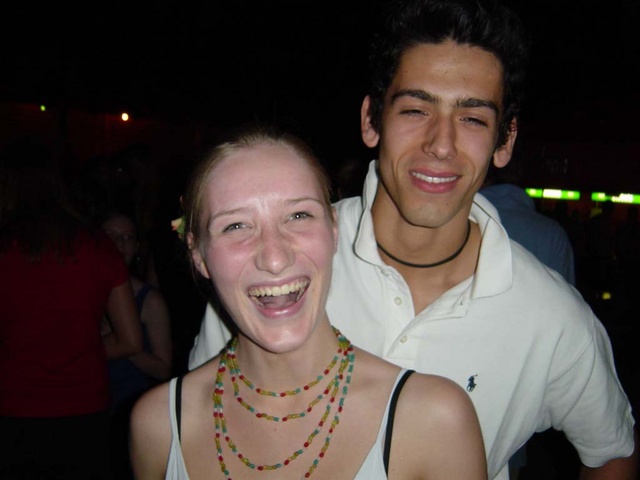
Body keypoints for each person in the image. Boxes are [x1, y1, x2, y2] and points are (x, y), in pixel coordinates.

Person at [189, 1, 638, 479]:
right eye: (416, 109)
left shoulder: (551, 316)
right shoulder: (275, 271)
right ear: (371, 120)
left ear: (505, 141)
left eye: (473, 119)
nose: (440, 144)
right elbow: (199, 424)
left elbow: (612, 450)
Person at [129, 126, 487, 479]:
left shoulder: (434, 422)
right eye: (236, 226)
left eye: (299, 216)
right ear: (198, 255)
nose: (274, 258)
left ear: (334, 229)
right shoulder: (158, 426)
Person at [0, 136, 142, 479]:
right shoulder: (97, 247)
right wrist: (74, 349)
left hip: (11, 407)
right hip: (85, 408)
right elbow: (130, 341)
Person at [101, 212, 173, 479]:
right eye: (110, 236)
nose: (119, 244)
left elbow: (163, 370)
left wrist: (125, 340)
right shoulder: (76, 291)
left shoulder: (150, 300)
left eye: (127, 237)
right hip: (83, 407)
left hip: (128, 409)